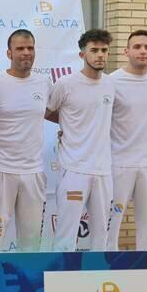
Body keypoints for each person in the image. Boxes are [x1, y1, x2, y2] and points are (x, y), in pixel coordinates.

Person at [44, 29, 115, 252]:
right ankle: (60, 280)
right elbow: (46, 112)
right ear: (82, 54)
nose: (100, 55)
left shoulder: (111, 84)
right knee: (66, 233)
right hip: (74, 169)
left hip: (103, 170)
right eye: (94, 50)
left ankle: (98, 279)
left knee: (101, 235)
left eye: (104, 50)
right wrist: (66, 125)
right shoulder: (66, 84)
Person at [0, 30, 52, 254]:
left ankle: (29, 285)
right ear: (9, 52)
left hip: (34, 172)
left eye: (30, 48)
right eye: (20, 48)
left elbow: (57, 113)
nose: (26, 53)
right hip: (1, 171)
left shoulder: (44, 82)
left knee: (31, 242)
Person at [107, 30, 147, 251]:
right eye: (137, 46)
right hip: (118, 163)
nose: (143, 51)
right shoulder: (112, 81)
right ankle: (106, 265)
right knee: (110, 223)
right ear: (126, 51)